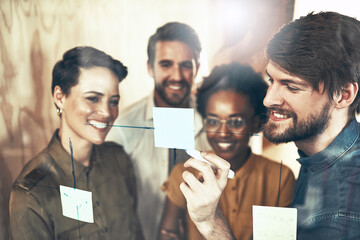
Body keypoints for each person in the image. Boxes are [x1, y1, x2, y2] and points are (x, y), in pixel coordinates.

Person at [180, 11, 360, 240]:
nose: (268, 100)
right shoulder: (318, 156)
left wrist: (209, 221)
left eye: (292, 87)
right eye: (271, 80)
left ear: (344, 95)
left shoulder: (341, 211)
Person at [9, 46, 144, 240]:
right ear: (60, 98)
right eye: (93, 98)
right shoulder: (31, 192)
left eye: (113, 101)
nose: (107, 112)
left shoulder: (119, 159)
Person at [158, 63, 296, 240]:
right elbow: (168, 233)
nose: (223, 133)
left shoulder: (279, 177)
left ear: (255, 123)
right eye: (213, 121)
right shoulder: (185, 173)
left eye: (236, 122)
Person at [106, 22, 210, 240]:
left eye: (185, 65)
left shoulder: (216, 123)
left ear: (197, 67)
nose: (177, 75)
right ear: (150, 68)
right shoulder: (124, 128)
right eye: (166, 64)